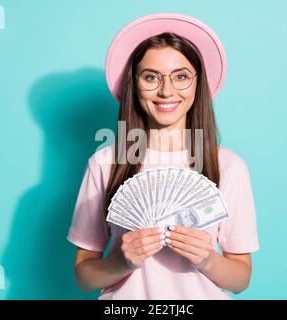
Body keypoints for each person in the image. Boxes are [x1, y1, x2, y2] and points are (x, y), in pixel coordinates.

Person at [67, 13, 259, 299]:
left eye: (181, 76)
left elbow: (240, 279)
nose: (166, 90)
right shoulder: (105, 163)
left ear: (197, 83)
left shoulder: (228, 166)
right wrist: (121, 262)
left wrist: (207, 258)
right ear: (135, 83)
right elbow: (84, 276)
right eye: (151, 77)